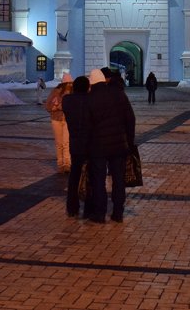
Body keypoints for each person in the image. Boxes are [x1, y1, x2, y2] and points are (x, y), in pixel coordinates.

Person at [86, 68, 136, 223]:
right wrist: (129, 140)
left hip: (98, 147)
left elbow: (86, 125)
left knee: (98, 180)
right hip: (119, 146)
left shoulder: (90, 98)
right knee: (118, 179)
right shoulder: (119, 94)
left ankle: (100, 213)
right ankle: (118, 212)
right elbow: (130, 119)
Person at [61, 75, 92, 217]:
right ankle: (89, 207)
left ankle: (72, 207)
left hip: (75, 142)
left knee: (74, 175)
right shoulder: (91, 100)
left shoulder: (67, 101)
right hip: (90, 142)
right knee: (90, 175)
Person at [45, 73, 73, 172]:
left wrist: (59, 107)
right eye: (69, 83)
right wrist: (54, 107)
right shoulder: (56, 91)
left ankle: (67, 163)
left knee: (66, 142)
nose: (70, 85)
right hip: (56, 119)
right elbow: (47, 105)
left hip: (67, 120)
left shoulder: (72, 92)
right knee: (59, 143)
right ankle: (60, 164)